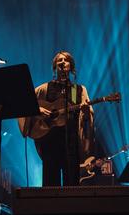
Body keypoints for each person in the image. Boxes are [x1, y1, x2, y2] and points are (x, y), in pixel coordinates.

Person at [18, 51, 94, 186]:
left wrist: (86, 113)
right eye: (59, 60)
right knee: (50, 181)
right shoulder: (44, 89)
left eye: (66, 60)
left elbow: (88, 117)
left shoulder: (78, 90)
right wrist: (38, 109)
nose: (62, 62)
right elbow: (24, 102)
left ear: (71, 66)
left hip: (71, 141)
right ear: (55, 67)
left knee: (72, 183)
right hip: (49, 141)